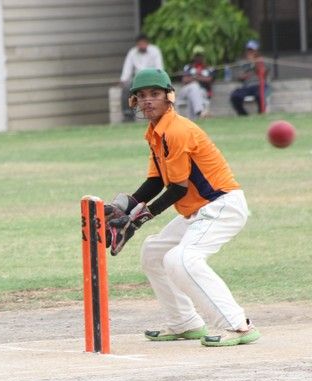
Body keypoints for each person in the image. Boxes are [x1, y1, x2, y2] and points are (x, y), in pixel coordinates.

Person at [105, 68, 260, 347]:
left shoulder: (177, 130)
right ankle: (184, 322)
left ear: (169, 97)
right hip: (199, 211)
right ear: (134, 101)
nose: (148, 100)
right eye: (142, 95)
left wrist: (138, 219)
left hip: (221, 205)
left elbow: (178, 188)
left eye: (155, 94)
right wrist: (125, 207)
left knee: (182, 259)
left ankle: (238, 325)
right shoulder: (155, 132)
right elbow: (156, 181)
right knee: (153, 253)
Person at [119, 34, 164, 122]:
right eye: (140, 44)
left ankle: (160, 114)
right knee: (126, 87)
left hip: (152, 78)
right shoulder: (132, 52)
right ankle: (128, 115)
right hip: (138, 80)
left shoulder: (155, 51)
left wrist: (158, 79)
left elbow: (159, 68)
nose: (142, 45)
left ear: (147, 43)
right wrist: (123, 80)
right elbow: (127, 68)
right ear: (137, 44)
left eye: (144, 43)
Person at [230, 40, 269, 116]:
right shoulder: (242, 62)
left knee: (260, 95)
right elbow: (239, 76)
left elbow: (264, 73)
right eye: (248, 50)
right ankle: (243, 115)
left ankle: (261, 114)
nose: (250, 52)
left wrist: (254, 62)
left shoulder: (261, 60)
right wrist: (243, 76)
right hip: (247, 86)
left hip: (260, 85)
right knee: (235, 96)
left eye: (252, 50)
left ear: (257, 51)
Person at [176, 46, 214, 120]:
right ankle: (200, 112)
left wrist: (195, 77)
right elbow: (184, 80)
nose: (198, 58)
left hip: (202, 92)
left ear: (204, 57)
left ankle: (192, 119)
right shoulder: (188, 67)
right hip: (186, 90)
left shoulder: (208, 68)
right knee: (194, 86)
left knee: (194, 93)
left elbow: (209, 79)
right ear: (193, 57)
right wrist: (198, 78)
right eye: (197, 56)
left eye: (200, 55)